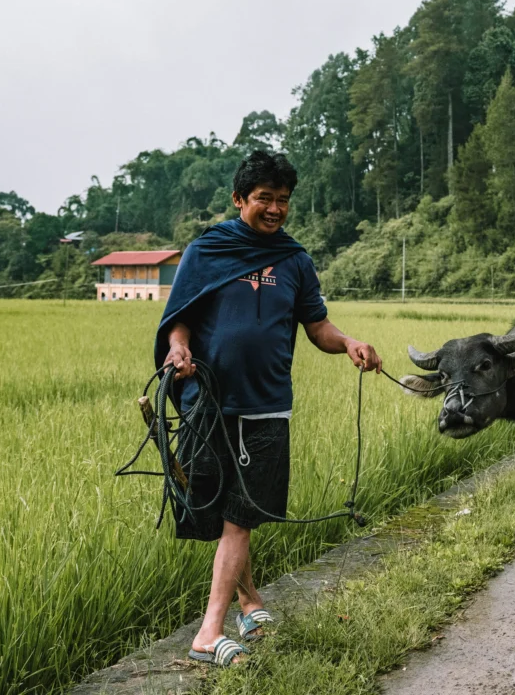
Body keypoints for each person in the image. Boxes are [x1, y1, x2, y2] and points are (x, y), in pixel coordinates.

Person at [154, 150, 382, 667]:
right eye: (264, 199)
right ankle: (247, 605)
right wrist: (179, 348)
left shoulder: (295, 261)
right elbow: (180, 319)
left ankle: (210, 631)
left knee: (243, 516)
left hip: (267, 405)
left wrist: (347, 342)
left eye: (283, 200)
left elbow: (317, 326)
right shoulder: (207, 251)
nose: (275, 209)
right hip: (208, 404)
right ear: (239, 200)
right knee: (224, 513)